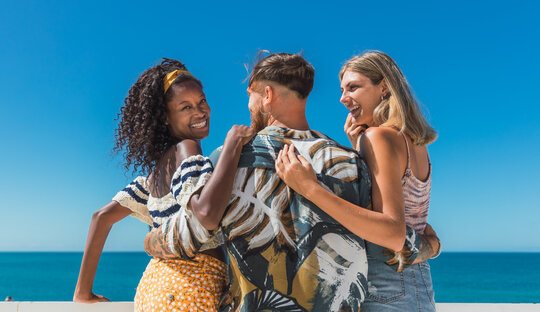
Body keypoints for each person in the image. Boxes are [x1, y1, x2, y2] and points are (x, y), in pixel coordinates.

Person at [143, 52, 437, 311]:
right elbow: (382, 240)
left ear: (267, 95)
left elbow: (195, 230)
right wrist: (430, 245)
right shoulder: (350, 162)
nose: (249, 106)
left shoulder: (229, 158)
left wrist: (150, 242)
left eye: (251, 96)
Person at [73, 58, 253, 311]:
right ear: (166, 118)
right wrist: (232, 145)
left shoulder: (154, 176)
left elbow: (100, 217)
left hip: (152, 289)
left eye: (201, 101)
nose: (200, 112)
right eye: (185, 107)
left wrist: (82, 293)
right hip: (190, 290)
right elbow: (207, 215)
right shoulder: (187, 148)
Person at [275, 51, 440, 311]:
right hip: (416, 280)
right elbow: (406, 214)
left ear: (384, 87)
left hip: (385, 284)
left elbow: (392, 231)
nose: (343, 98)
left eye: (353, 87)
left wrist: (310, 188)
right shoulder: (414, 144)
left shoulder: (378, 137)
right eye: (342, 90)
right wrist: (360, 154)